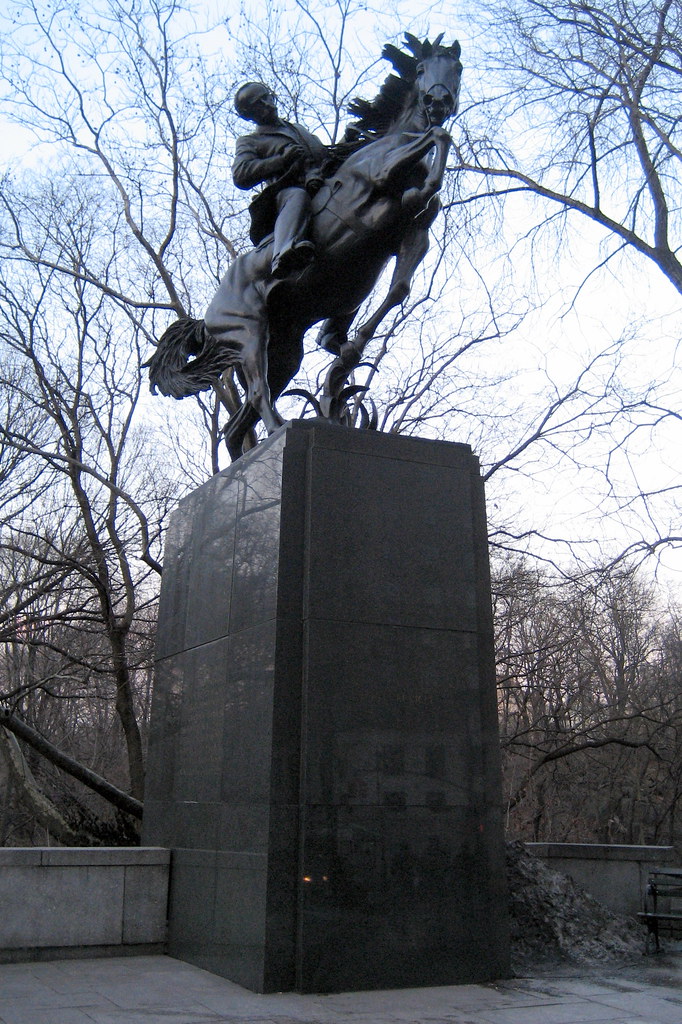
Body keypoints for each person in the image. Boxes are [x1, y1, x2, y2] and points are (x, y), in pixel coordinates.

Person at [232, 82, 329, 278]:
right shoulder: (250, 141)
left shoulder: (298, 129)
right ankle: (284, 252)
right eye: (259, 103)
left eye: (268, 97)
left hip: (320, 181)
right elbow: (241, 174)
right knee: (297, 196)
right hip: (285, 194)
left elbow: (323, 155)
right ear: (249, 113)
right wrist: (281, 160)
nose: (268, 104)